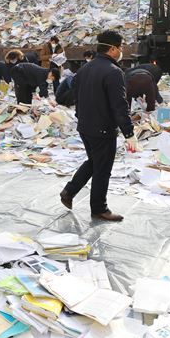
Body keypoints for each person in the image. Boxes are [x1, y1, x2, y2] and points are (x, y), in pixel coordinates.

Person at [60, 30, 137, 222]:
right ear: (112, 49)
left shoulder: (84, 69)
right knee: (102, 169)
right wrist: (129, 133)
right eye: (120, 48)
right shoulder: (113, 72)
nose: (121, 51)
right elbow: (119, 105)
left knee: (94, 162)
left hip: (85, 126)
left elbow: (76, 97)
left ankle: (69, 191)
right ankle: (99, 208)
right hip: (102, 129)